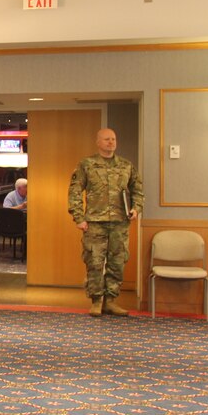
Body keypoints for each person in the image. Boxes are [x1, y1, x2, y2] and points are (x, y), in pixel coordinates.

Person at [68, 128, 143, 317]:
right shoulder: (87, 165)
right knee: (94, 262)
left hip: (120, 222)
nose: (111, 142)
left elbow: (138, 190)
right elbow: (75, 191)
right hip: (94, 222)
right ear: (98, 142)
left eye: (114, 139)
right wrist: (79, 217)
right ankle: (96, 301)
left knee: (117, 263)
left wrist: (136, 209)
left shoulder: (126, 166)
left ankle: (110, 300)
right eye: (107, 139)